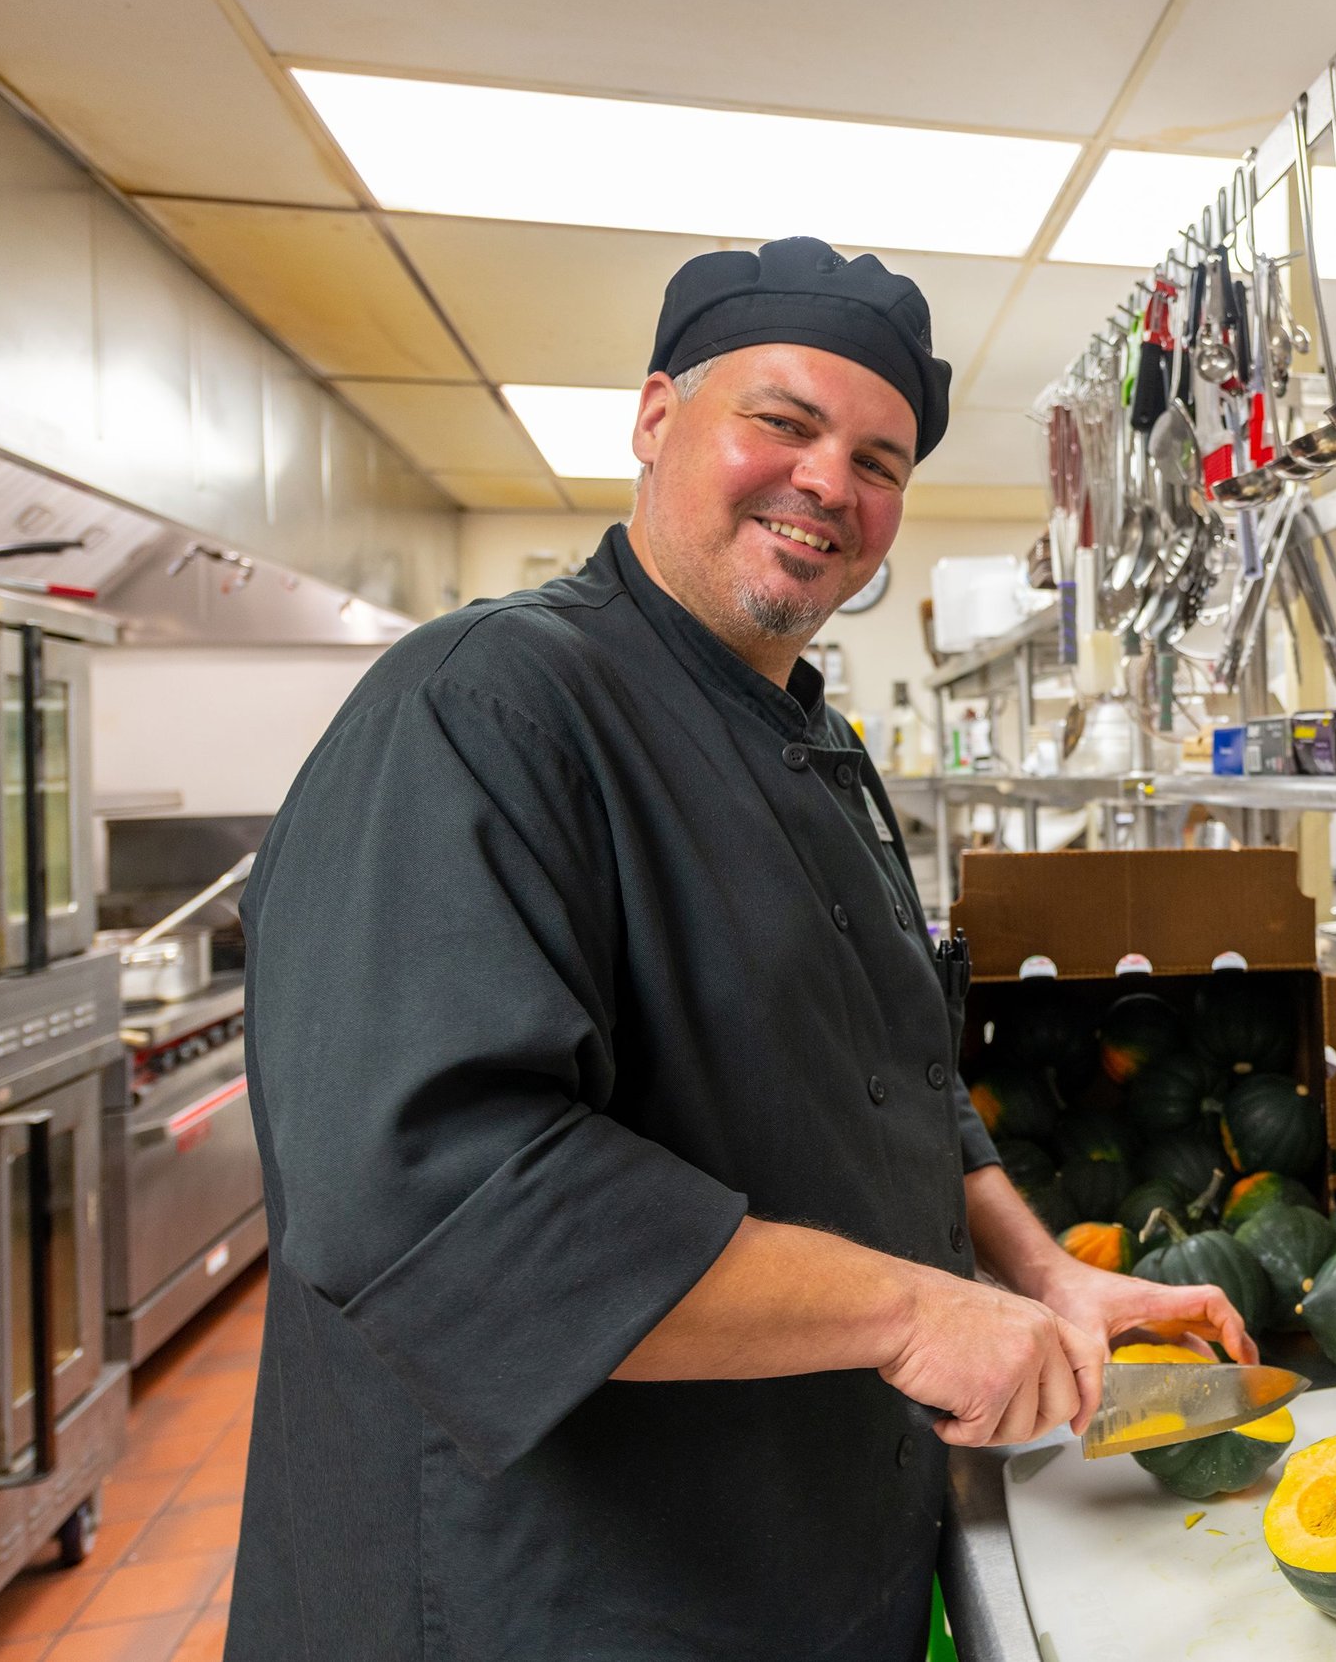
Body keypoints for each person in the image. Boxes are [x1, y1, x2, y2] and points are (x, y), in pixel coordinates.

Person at [227, 238, 1252, 1661]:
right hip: (558, 1591)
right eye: (783, 422)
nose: (832, 481)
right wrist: (907, 1312)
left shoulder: (819, 746)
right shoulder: (483, 710)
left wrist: (1037, 1270)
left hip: (806, 1552)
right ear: (657, 418)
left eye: (881, 459)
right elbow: (435, 1196)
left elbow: (898, 1074)